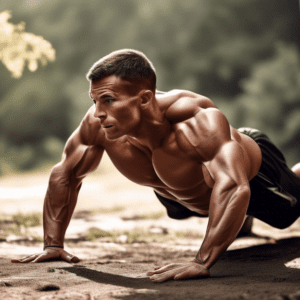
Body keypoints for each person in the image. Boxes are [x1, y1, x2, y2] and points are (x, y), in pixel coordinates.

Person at [11, 49, 300, 283]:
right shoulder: (98, 123)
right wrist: (53, 245)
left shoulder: (196, 122)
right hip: (183, 192)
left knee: (285, 215)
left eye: (108, 100)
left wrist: (201, 262)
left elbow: (235, 186)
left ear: (146, 98)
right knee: (186, 195)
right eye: (95, 100)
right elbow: (66, 173)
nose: (98, 113)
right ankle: (238, 222)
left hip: (255, 171)